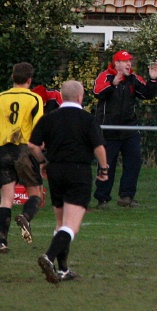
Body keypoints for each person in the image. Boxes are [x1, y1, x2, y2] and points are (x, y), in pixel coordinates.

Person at [28, 80, 108, 283]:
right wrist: (104, 168)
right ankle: (49, 256)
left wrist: (43, 162)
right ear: (80, 97)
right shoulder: (87, 119)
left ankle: (62, 269)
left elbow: (32, 146)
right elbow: (98, 147)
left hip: (55, 170)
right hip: (78, 170)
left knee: (60, 222)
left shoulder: (49, 118)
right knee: (72, 226)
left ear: (62, 97)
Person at [92, 50, 157, 208]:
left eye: (130, 61)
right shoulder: (105, 76)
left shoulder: (133, 79)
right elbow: (97, 92)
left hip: (129, 129)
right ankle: (102, 198)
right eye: (125, 61)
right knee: (106, 164)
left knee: (134, 161)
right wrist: (113, 84)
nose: (129, 64)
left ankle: (127, 197)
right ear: (116, 63)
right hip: (108, 130)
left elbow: (146, 94)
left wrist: (153, 80)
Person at [0, 62, 45, 253]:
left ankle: (2, 241)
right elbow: (38, 130)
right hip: (23, 151)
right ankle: (25, 216)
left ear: (12, 78)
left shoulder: (1, 97)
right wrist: (42, 159)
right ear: (30, 80)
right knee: (36, 193)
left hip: (2, 151)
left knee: (6, 198)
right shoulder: (34, 99)